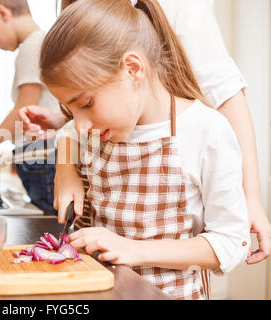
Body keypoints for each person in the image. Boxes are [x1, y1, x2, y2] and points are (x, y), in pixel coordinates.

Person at [19, 0, 271, 265]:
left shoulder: (206, 131)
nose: (80, 123)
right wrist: (65, 168)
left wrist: (134, 251)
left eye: (85, 104)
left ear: (133, 69)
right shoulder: (95, 127)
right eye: (70, 108)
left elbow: (232, 242)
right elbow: (69, 132)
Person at [0, 0, 61, 214]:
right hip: (42, 154)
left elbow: (22, 111)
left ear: (2, 13)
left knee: (49, 226)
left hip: (40, 155)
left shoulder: (32, 47)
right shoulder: (39, 43)